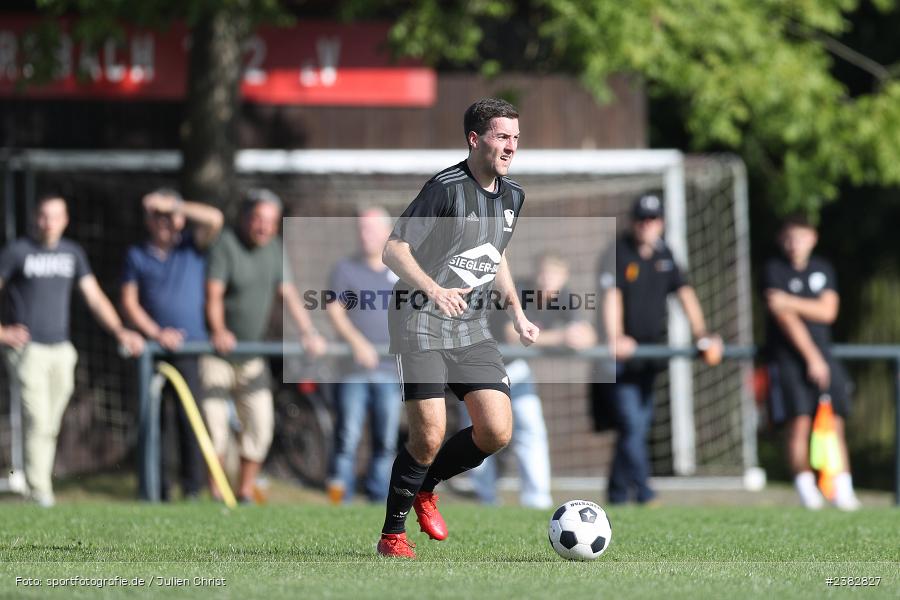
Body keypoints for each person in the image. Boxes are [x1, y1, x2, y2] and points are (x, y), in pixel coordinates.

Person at [376, 98, 539, 559]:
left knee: (496, 430)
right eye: (502, 136)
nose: (511, 146)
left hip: (470, 323)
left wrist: (517, 313)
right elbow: (393, 249)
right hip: (419, 318)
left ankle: (426, 486)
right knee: (428, 435)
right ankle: (392, 536)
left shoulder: (514, 195)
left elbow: (495, 253)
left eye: (516, 138)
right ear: (475, 139)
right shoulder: (445, 188)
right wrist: (433, 290)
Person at [0, 195, 144, 507]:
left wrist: (120, 329)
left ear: (65, 220)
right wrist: (2, 331)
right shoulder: (17, 251)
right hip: (27, 350)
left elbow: (94, 297)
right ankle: (41, 491)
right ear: (35, 217)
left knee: (50, 422)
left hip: (62, 349)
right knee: (37, 419)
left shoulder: (72, 254)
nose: (48, 222)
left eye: (55, 216)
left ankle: (34, 482)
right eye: (43, 215)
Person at [201, 189, 327, 504]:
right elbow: (213, 294)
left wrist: (308, 331)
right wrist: (219, 330)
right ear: (245, 218)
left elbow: (288, 293)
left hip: (252, 358)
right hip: (216, 356)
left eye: (270, 222)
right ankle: (217, 494)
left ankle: (244, 492)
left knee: (260, 425)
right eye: (258, 219)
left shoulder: (274, 249)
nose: (263, 227)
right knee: (215, 428)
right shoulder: (225, 245)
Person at [597, 193, 723, 505]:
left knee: (637, 427)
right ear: (633, 221)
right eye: (641, 219)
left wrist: (702, 334)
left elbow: (685, 294)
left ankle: (616, 494)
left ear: (661, 223)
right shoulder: (618, 253)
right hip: (622, 359)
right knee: (631, 424)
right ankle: (645, 493)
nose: (646, 225)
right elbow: (611, 297)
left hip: (650, 357)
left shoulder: (666, 254)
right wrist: (616, 337)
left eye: (652, 220)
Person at [460, 252, 595, 508]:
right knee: (479, 432)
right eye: (544, 273)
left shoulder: (564, 297)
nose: (547, 280)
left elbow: (586, 333)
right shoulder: (519, 291)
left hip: (516, 370)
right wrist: (562, 336)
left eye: (554, 275)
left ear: (564, 278)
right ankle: (485, 497)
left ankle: (537, 499)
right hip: (479, 367)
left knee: (531, 429)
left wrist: (579, 335)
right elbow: (514, 335)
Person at [121, 189, 223, 500]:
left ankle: (191, 490)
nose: (165, 222)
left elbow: (215, 218)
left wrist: (174, 205)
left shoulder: (191, 246)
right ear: (148, 221)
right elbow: (129, 302)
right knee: (154, 421)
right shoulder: (136, 254)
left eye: (170, 217)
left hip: (189, 349)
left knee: (190, 420)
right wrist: (156, 333)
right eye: (158, 216)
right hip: (154, 351)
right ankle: (157, 489)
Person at [763, 215, 860, 510]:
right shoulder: (773, 270)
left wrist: (789, 301)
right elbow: (784, 318)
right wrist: (811, 357)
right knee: (799, 425)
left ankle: (842, 489)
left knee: (834, 424)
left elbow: (828, 312)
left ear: (812, 238)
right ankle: (808, 492)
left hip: (825, 358)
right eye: (790, 238)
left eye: (801, 237)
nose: (795, 244)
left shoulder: (822, 269)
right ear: (782, 240)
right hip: (792, 362)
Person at [325, 207, 402, 504]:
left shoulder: (400, 271)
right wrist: (358, 344)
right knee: (347, 438)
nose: (364, 234)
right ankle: (339, 500)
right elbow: (334, 310)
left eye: (370, 229)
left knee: (385, 442)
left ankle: (379, 500)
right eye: (361, 228)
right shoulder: (345, 269)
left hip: (389, 371)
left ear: (386, 232)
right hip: (352, 371)